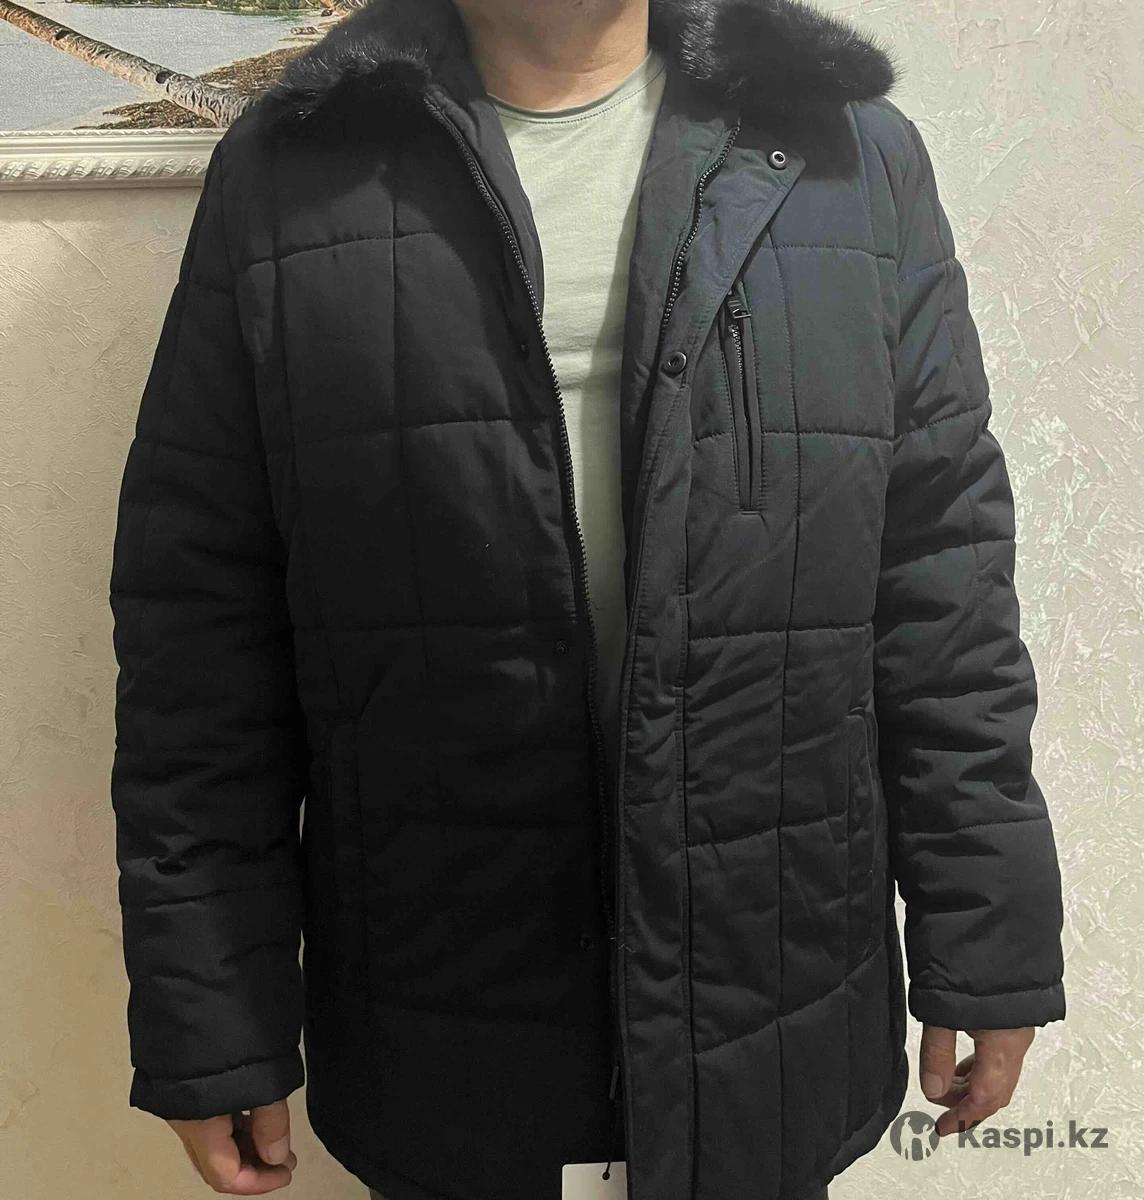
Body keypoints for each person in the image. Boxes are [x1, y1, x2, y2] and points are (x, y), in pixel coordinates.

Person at [107, 0, 1067, 1197]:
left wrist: (987, 931)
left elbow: (944, 581)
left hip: (773, 994)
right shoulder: (291, 169)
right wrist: (210, 1008)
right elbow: (199, 630)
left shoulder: (844, 153)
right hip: (443, 1011)